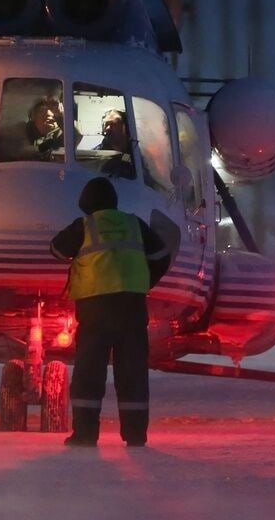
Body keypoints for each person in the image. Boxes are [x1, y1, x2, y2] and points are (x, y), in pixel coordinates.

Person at [50, 177, 171, 448]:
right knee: (133, 372)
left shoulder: (85, 226)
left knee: (89, 371)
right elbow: (163, 254)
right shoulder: (134, 224)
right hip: (132, 306)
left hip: (95, 307)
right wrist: (145, 281)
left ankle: (85, 434)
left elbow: (56, 250)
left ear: (86, 204)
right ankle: (136, 435)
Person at [94, 108, 135, 179]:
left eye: (114, 123)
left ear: (126, 127)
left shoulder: (136, 153)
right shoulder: (96, 155)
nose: (108, 128)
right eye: (106, 124)